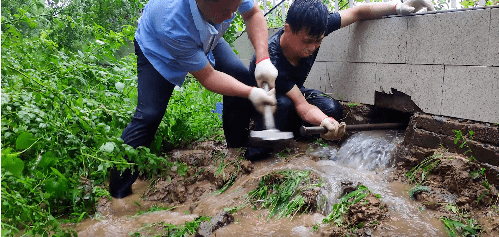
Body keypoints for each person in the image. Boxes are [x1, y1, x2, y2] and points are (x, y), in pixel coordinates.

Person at [110, 0, 280, 198]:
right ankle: (118, 192)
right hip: (157, 48)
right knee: (149, 115)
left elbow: (252, 14)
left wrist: (263, 59)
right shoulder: (170, 20)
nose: (231, 16)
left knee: (238, 75)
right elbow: (208, 77)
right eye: (226, 10)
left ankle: (236, 150)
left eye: (235, 8)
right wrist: (251, 93)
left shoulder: (224, 5)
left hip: (205, 34)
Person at [224, 0, 434, 160]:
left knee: (331, 108)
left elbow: (358, 11)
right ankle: (254, 154)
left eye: (318, 41)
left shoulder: (315, 29)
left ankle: (300, 140)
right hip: (263, 102)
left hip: (293, 93)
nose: (313, 48)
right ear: (288, 29)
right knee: (285, 105)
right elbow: (303, 107)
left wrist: (399, 7)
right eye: (307, 42)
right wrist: (324, 123)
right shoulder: (273, 60)